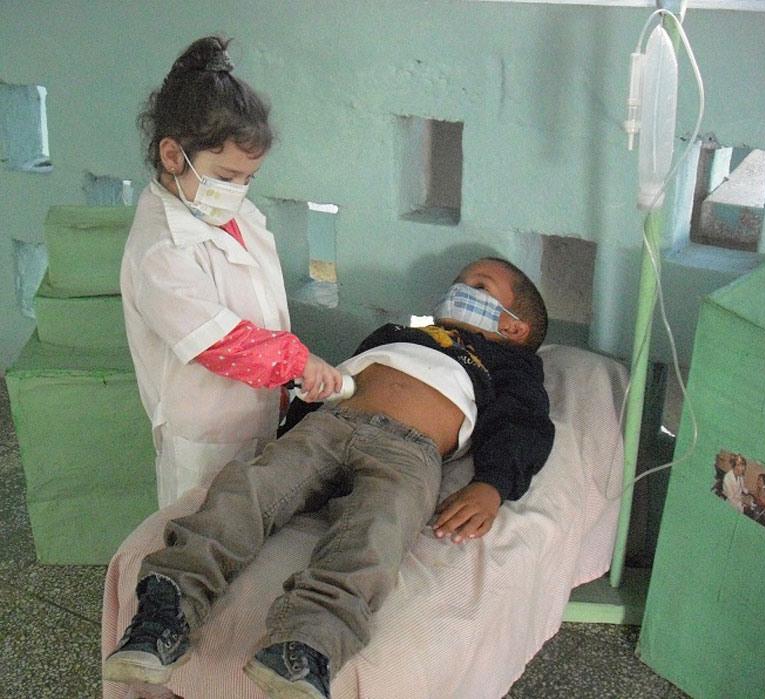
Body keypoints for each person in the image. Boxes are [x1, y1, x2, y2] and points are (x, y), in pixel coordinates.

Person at [103, 257, 556, 699]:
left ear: (514, 327)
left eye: (479, 286)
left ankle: (307, 644)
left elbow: (523, 424)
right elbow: (327, 382)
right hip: (330, 425)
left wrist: (493, 485)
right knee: (246, 490)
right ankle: (165, 612)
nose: (459, 289)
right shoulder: (399, 334)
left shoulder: (509, 364)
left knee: (380, 531)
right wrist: (291, 426)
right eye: (460, 281)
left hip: (410, 452)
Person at [121, 36, 341, 507]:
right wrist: (297, 362)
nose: (238, 191)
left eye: (248, 179)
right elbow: (219, 344)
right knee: (199, 525)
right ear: (172, 156)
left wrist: (288, 373)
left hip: (255, 409)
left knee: (246, 520)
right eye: (225, 177)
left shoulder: (222, 212)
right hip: (206, 431)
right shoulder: (161, 249)